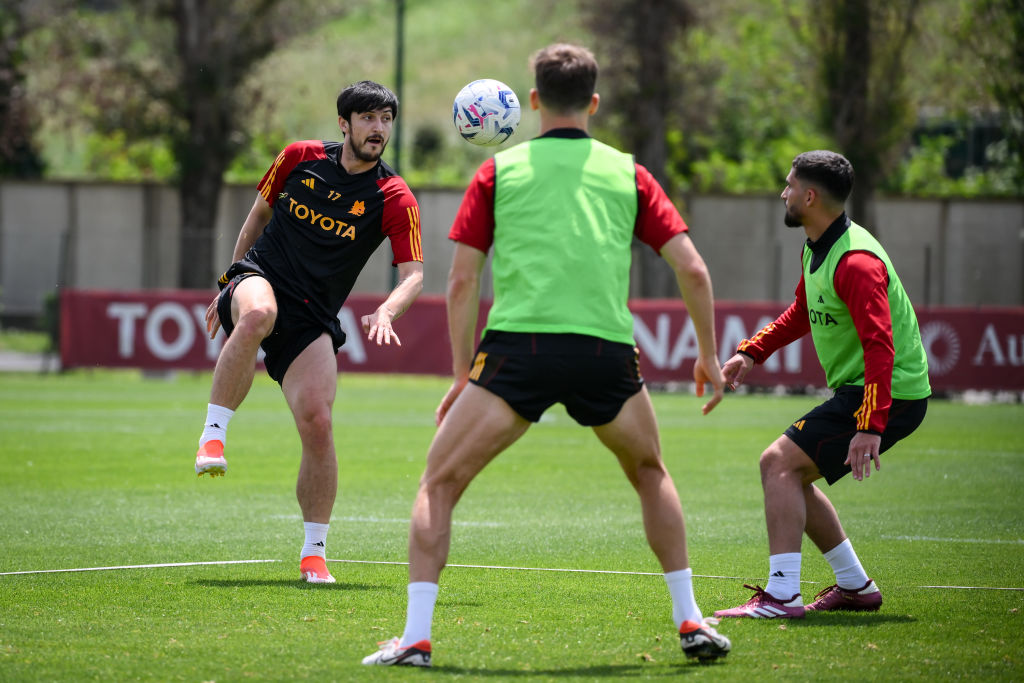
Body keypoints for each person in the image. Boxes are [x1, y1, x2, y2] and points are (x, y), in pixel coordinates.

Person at [363, 43, 731, 667]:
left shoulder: (498, 173)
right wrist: (709, 357)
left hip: (518, 353)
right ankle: (691, 619)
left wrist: (460, 375)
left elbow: (460, 282)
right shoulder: (629, 173)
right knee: (649, 474)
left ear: (532, 101)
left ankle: (417, 638)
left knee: (439, 482)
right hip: (604, 352)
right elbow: (693, 270)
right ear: (593, 102)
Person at [193, 80, 424, 585]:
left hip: (313, 316)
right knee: (257, 316)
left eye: (386, 119)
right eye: (368, 118)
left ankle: (314, 553)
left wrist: (387, 310)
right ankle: (213, 437)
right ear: (345, 124)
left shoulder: (393, 195)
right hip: (259, 280)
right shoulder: (299, 157)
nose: (378, 128)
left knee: (318, 423)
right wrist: (230, 280)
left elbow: (414, 275)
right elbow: (258, 216)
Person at [714, 150, 930, 619]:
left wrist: (870, 424)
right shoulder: (819, 246)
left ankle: (782, 596)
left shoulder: (855, 260)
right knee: (793, 476)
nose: (783, 193)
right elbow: (802, 311)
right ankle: (855, 586)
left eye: (789, 186)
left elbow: (880, 347)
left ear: (809, 197)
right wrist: (751, 351)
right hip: (867, 392)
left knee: (777, 464)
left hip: (888, 394)